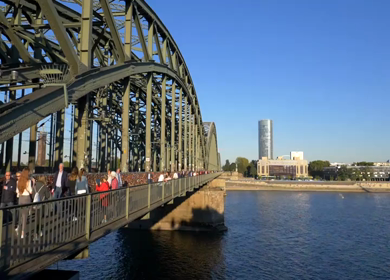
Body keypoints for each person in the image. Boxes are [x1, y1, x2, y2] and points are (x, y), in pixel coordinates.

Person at [16, 169, 33, 239]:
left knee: (21, 215)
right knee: (25, 217)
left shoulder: (18, 181)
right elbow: (31, 191)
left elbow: (17, 191)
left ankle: (18, 227)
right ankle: (23, 233)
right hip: (26, 198)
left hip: (20, 199)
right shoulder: (28, 181)